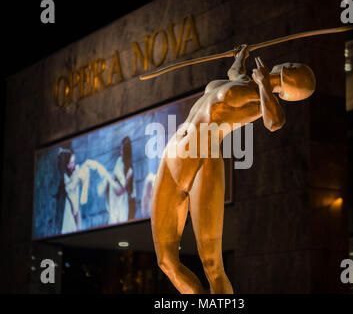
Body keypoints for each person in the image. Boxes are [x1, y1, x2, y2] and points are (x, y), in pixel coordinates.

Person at [150, 45, 316, 294]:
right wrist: (241, 57)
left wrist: (263, 85)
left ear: (291, 83)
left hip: (203, 160)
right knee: (165, 260)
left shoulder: (261, 96)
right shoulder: (248, 84)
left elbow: (275, 122)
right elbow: (234, 73)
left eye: (293, 69)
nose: (288, 65)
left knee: (212, 264)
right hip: (173, 155)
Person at [55, 148, 103, 234]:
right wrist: (84, 165)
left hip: (76, 205)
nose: (73, 164)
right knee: (71, 229)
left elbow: (80, 177)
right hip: (71, 207)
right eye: (71, 163)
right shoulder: (66, 178)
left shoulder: (76, 170)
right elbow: (73, 185)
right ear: (66, 164)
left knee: (78, 229)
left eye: (74, 161)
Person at [97, 136, 135, 224]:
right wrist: (109, 179)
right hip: (113, 196)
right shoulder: (118, 161)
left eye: (122, 150)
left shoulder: (130, 170)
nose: (120, 152)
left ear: (126, 152)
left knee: (121, 220)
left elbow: (120, 191)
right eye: (120, 149)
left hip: (121, 199)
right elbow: (114, 175)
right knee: (112, 219)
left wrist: (113, 183)